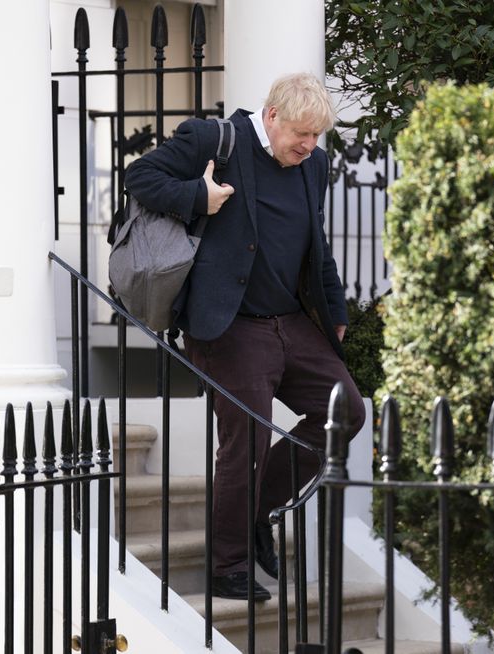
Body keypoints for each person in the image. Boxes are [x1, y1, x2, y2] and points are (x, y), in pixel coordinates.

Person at [125, 73, 366, 601]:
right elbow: (139, 176)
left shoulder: (314, 166)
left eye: (317, 137)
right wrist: (197, 196)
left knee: (344, 410)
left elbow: (316, 244)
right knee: (247, 443)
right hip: (228, 326)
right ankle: (228, 566)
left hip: (292, 322)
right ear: (272, 115)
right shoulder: (215, 141)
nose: (308, 145)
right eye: (301, 133)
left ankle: (257, 512)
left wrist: (335, 305)